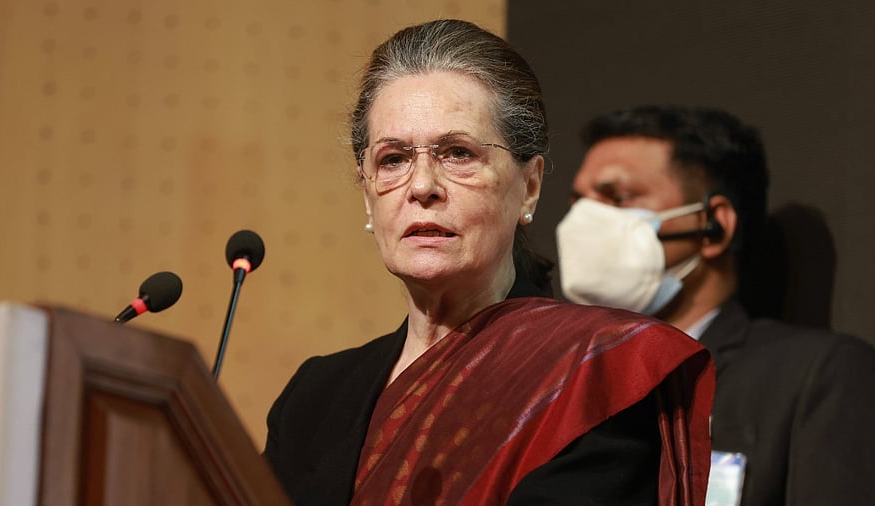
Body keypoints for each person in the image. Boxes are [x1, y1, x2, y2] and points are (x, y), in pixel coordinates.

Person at [262, 21, 714, 506]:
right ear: (368, 194)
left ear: (530, 186)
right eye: (392, 159)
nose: (421, 187)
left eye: (458, 153)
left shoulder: (592, 375)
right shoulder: (313, 397)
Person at [556, 104, 875, 506]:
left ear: (713, 227)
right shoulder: (561, 386)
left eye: (618, 198)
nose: (584, 223)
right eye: (579, 202)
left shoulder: (816, 375)